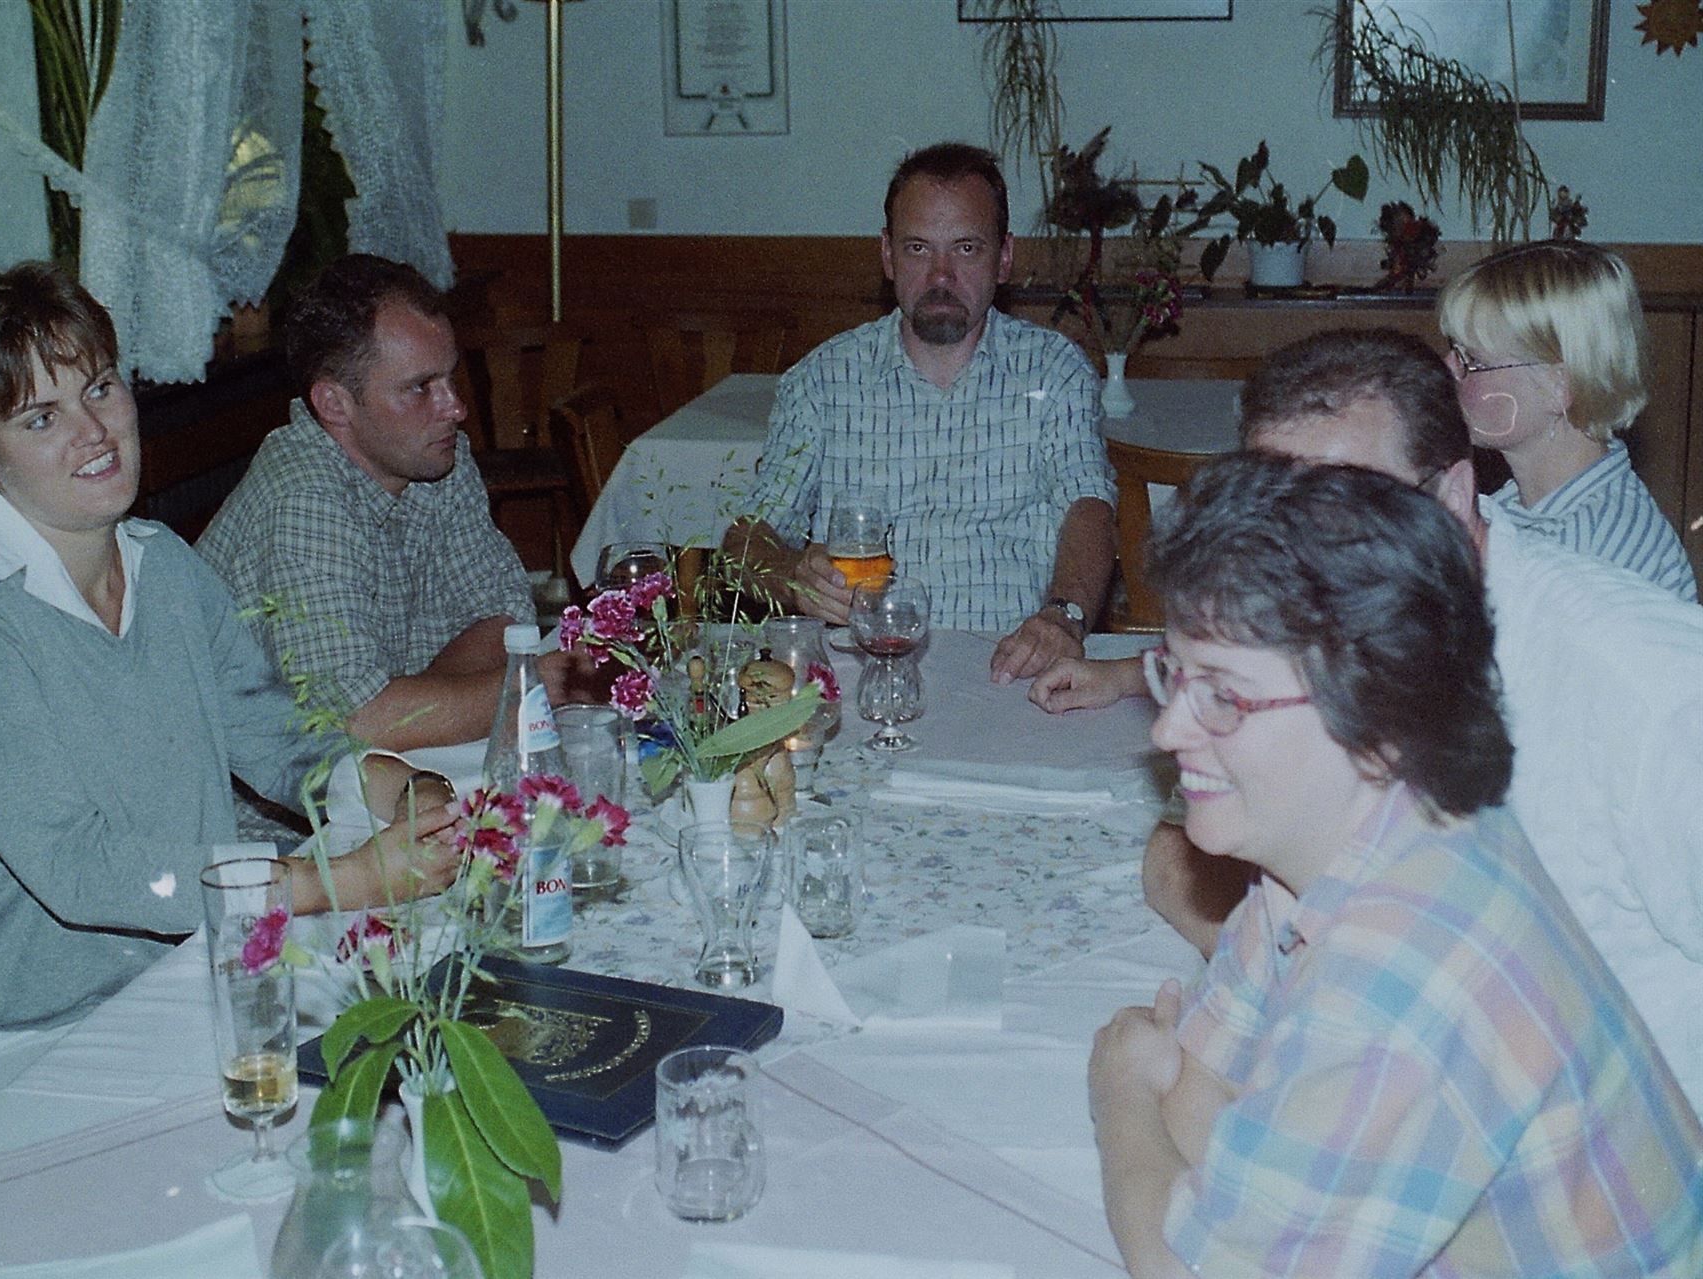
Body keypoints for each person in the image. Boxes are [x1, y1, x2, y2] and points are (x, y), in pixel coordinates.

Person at [0, 263, 458, 1179]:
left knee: (401, 1057)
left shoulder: (162, 567)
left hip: (140, 993)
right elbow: (84, 870)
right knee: (275, 1142)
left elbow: (279, 736)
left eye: (99, 388)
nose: (93, 432)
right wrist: (344, 877)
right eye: (40, 418)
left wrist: (400, 786)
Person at [1056, 328, 1703, 1110]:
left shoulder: (1647, 686)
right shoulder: (1318, 654)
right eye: (1275, 519)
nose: (1296, 561)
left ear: (1452, 501)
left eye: (1344, 514)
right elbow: (1177, 857)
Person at [1092, 452, 1703, 1277]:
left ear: (1375, 715)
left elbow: (1188, 1259)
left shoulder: (1403, 965)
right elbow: (1203, 1105)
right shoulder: (1330, 845)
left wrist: (1120, 1094)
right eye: (1175, 675)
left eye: (1224, 695)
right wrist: (1162, 1113)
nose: (1167, 731)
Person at [721, 141, 1116, 682]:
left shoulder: (1055, 371)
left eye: (966, 249)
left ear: (1004, 258)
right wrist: (791, 573)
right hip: (859, 674)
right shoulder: (822, 381)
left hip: (1012, 667)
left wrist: (1064, 615)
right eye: (918, 249)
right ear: (887, 256)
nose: (940, 276)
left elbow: (1089, 505)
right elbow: (745, 543)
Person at [198, 254, 585, 750]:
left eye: (449, 377)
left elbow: (503, 616)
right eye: (421, 388)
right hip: (259, 794)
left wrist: (414, 708)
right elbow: (351, 724)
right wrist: (532, 686)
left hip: (380, 764)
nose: (455, 408)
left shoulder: (435, 457)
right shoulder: (302, 502)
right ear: (334, 405)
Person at [1438, 240, 1694, 600]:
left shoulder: (1592, 549)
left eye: (1472, 360)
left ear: (1559, 387)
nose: (1447, 369)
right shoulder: (1519, 507)